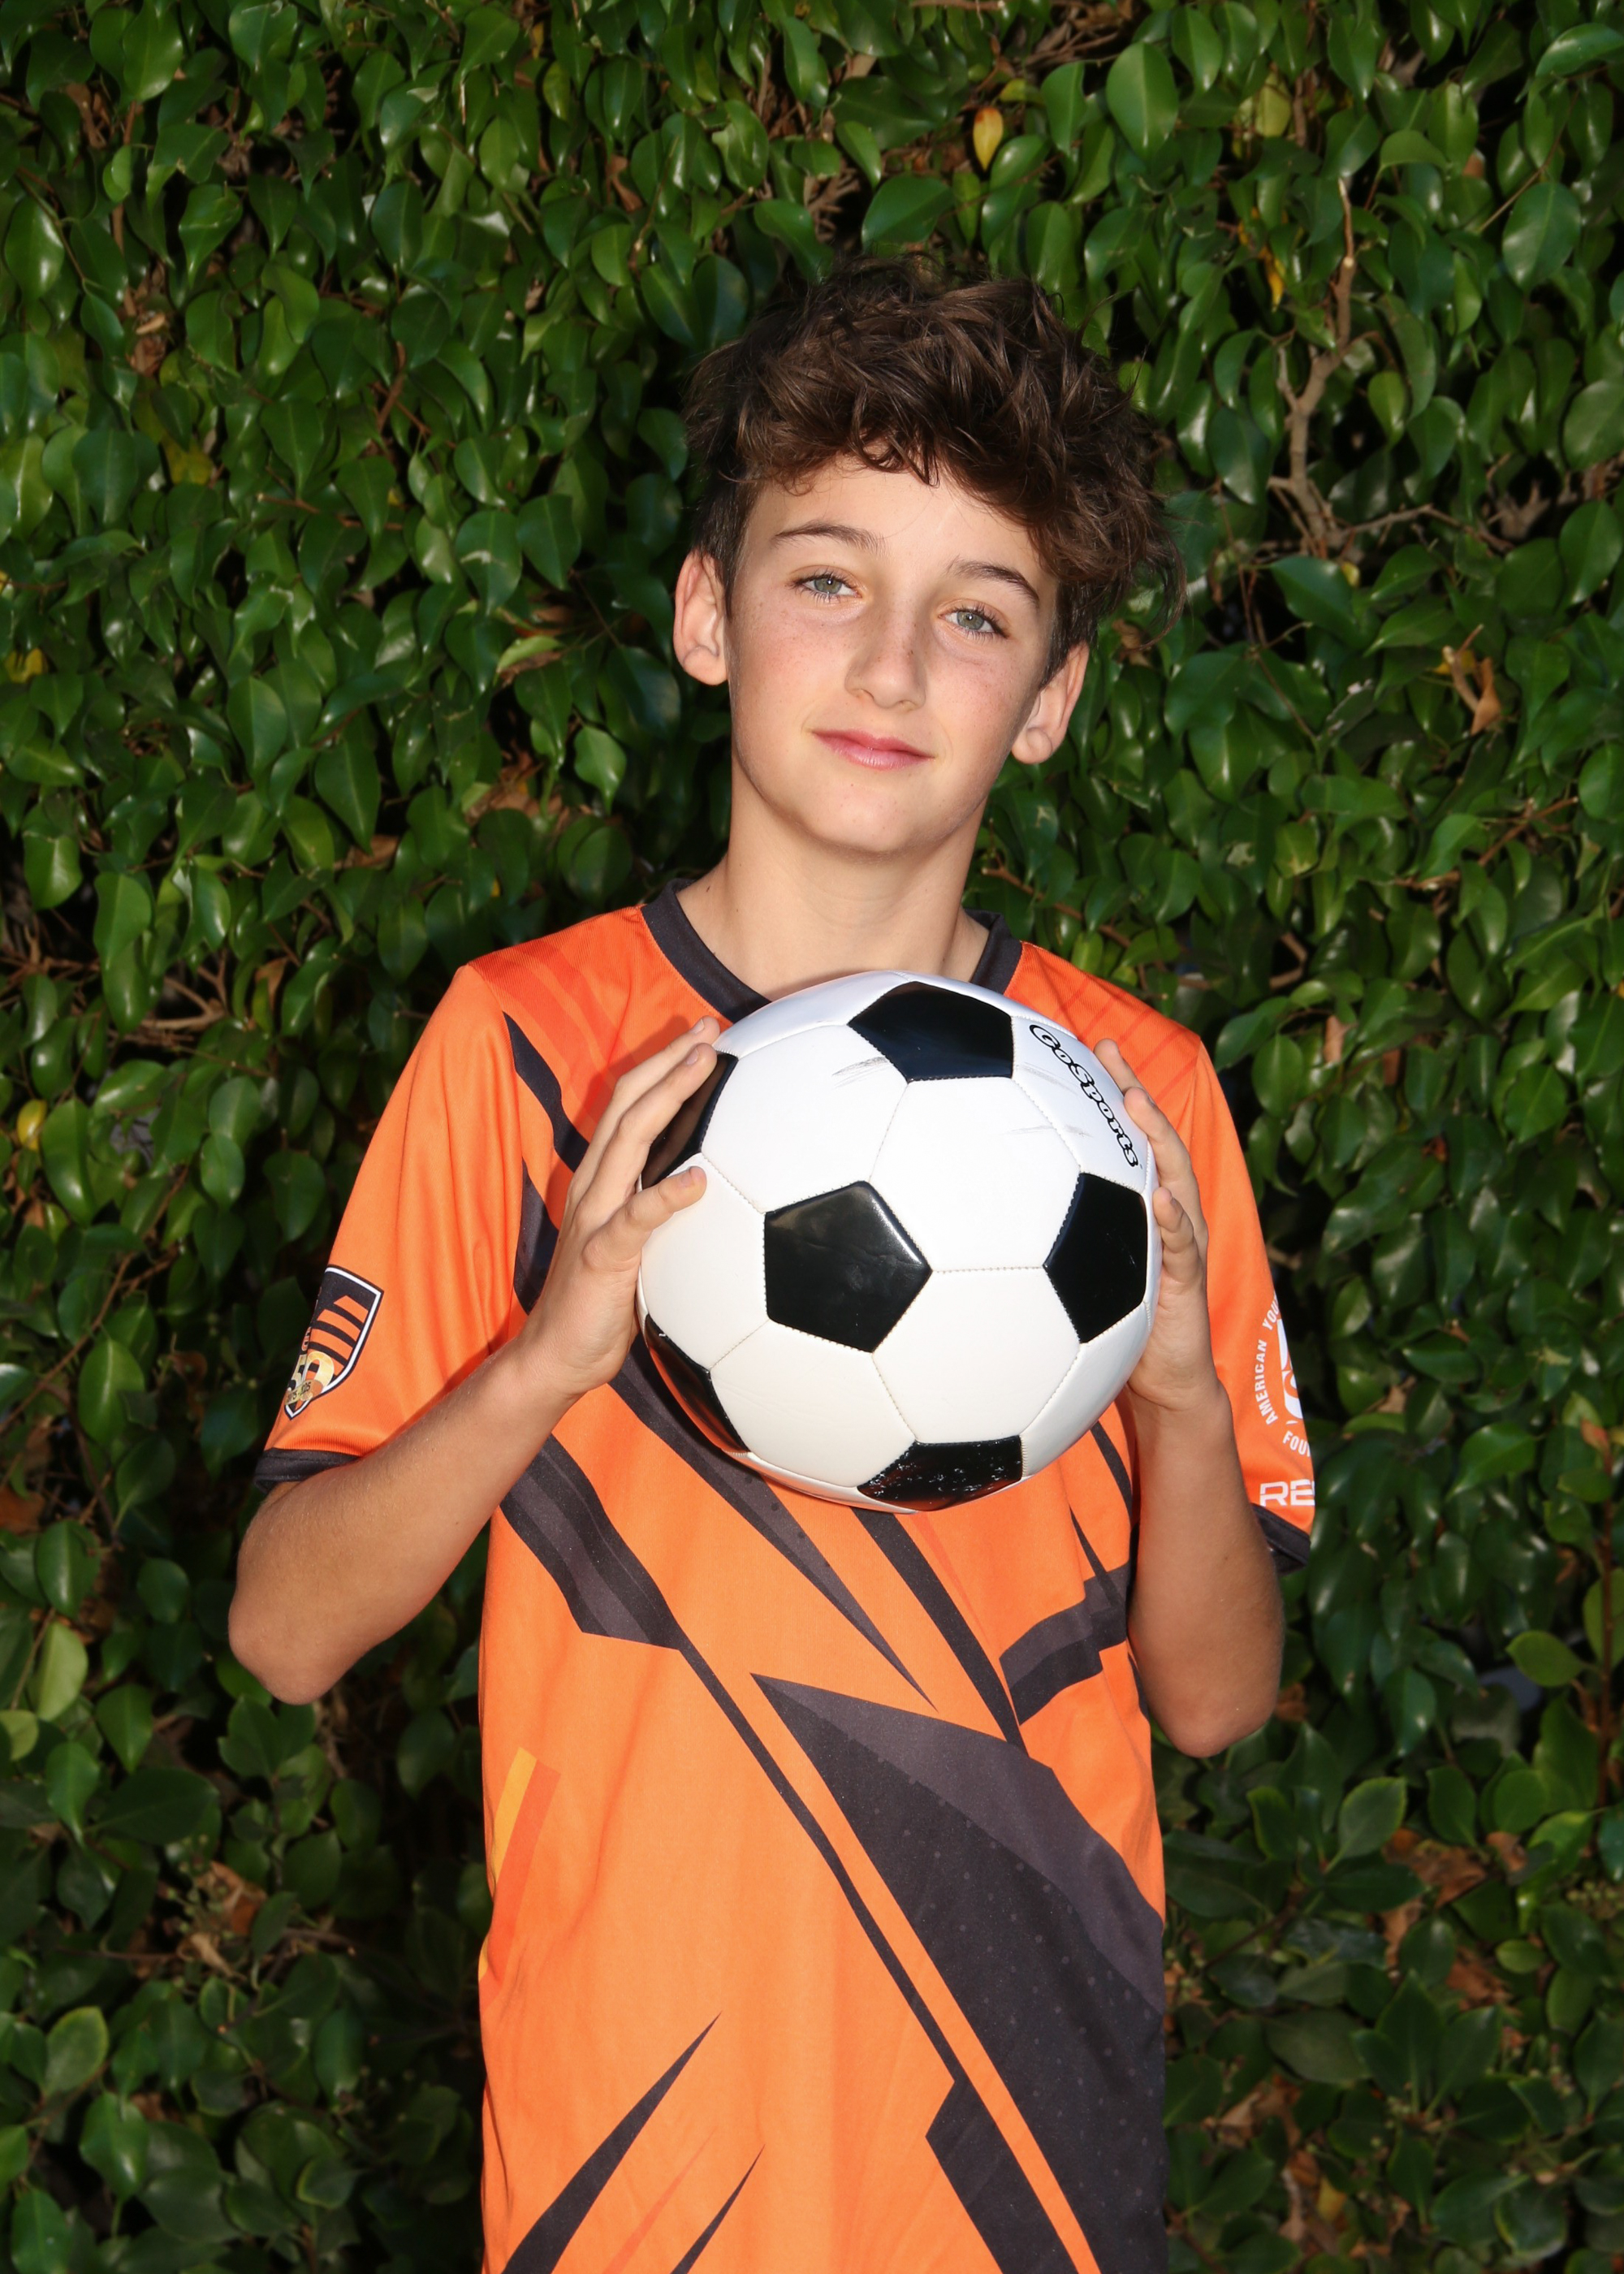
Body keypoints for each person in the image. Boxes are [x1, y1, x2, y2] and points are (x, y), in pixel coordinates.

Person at [231, 262, 1314, 2274]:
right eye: (827, 579)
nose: (891, 665)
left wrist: (1177, 1390)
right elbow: (288, 1629)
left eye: (976, 614)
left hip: (1021, 2151)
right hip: (635, 2155)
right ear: (706, 615)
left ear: (1051, 698)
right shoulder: (528, 1051)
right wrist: (545, 1359)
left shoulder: (1137, 1100)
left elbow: (1216, 1700)